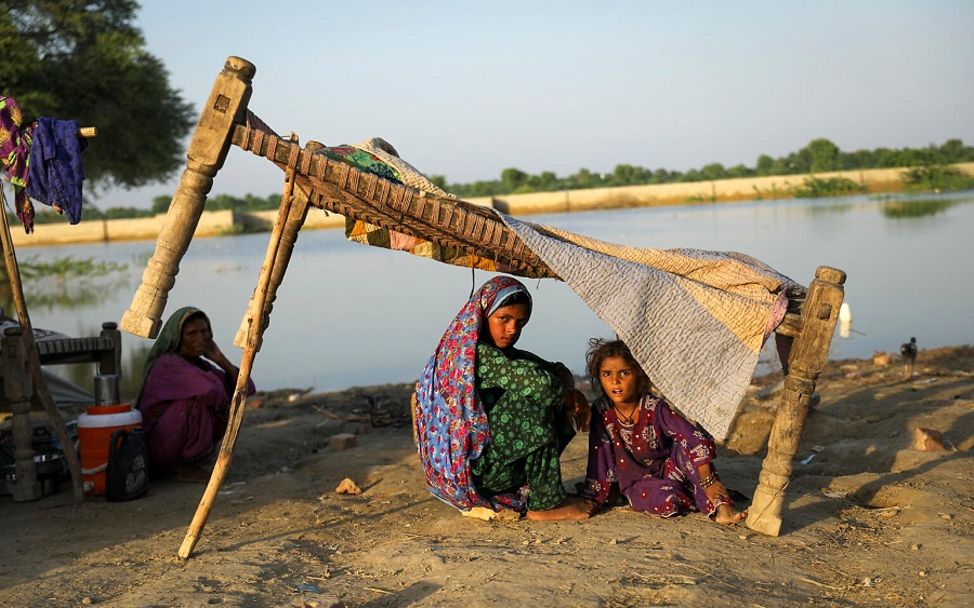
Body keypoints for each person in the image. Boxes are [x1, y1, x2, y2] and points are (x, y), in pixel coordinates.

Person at [414, 276, 591, 521]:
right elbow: (541, 386)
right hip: (476, 474)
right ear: (483, 315)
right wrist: (568, 394)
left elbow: (556, 370)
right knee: (533, 398)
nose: (512, 330)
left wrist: (570, 391)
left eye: (520, 322)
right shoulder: (477, 356)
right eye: (504, 319)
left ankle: (542, 492)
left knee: (543, 390)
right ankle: (545, 503)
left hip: (482, 469)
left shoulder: (491, 352)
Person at [580, 338, 747, 525]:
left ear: (639, 375)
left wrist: (708, 479)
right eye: (606, 374)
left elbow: (691, 436)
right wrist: (595, 495)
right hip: (638, 483)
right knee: (666, 499)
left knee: (687, 451)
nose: (615, 381)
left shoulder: (654, 407)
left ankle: (722, 507)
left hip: (671, 469)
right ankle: (691, 493)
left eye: (624, 373)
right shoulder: (602, 411)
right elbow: (600, 456)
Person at [136, 307, 255, 480]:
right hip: (156, 450)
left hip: (169, 444)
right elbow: (210, 390)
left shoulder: (199, 365)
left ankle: (188, 463)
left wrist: (221, 359)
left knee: (214, 399)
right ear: (178, 337)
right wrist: (224, 408)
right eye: (192, 333)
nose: (201, 338)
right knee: (196, 401)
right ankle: (179, 468)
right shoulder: (168, 364)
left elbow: (248, 388)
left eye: (205, 331)